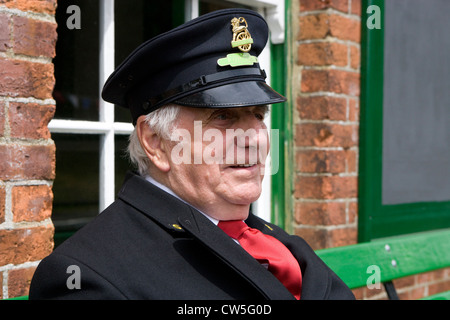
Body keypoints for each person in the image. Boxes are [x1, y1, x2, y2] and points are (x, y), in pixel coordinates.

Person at [29, 8, 354, 300]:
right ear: (155, 141)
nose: (254, 137)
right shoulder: (86, 278)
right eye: (223, 116)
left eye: (258, 114)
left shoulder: (269, 238)